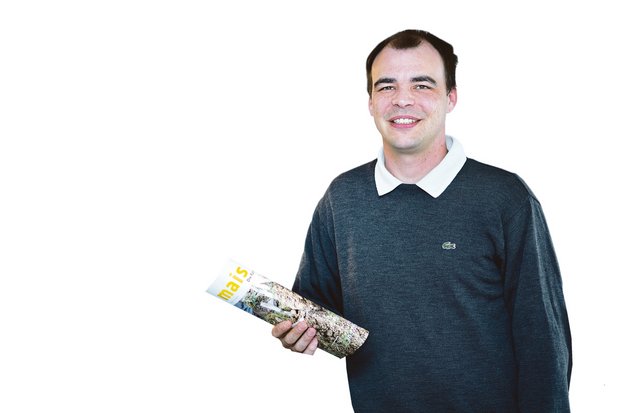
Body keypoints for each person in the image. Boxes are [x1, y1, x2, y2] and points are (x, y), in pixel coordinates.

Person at [271, 29, 572, 412]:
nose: (402, 99)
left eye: (422, 85)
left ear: (451, 97)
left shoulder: (505, 199)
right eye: (386, 86)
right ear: (370, 102)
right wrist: (299, 333)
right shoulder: (342, 198)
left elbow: (543, 340)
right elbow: (317, 309)